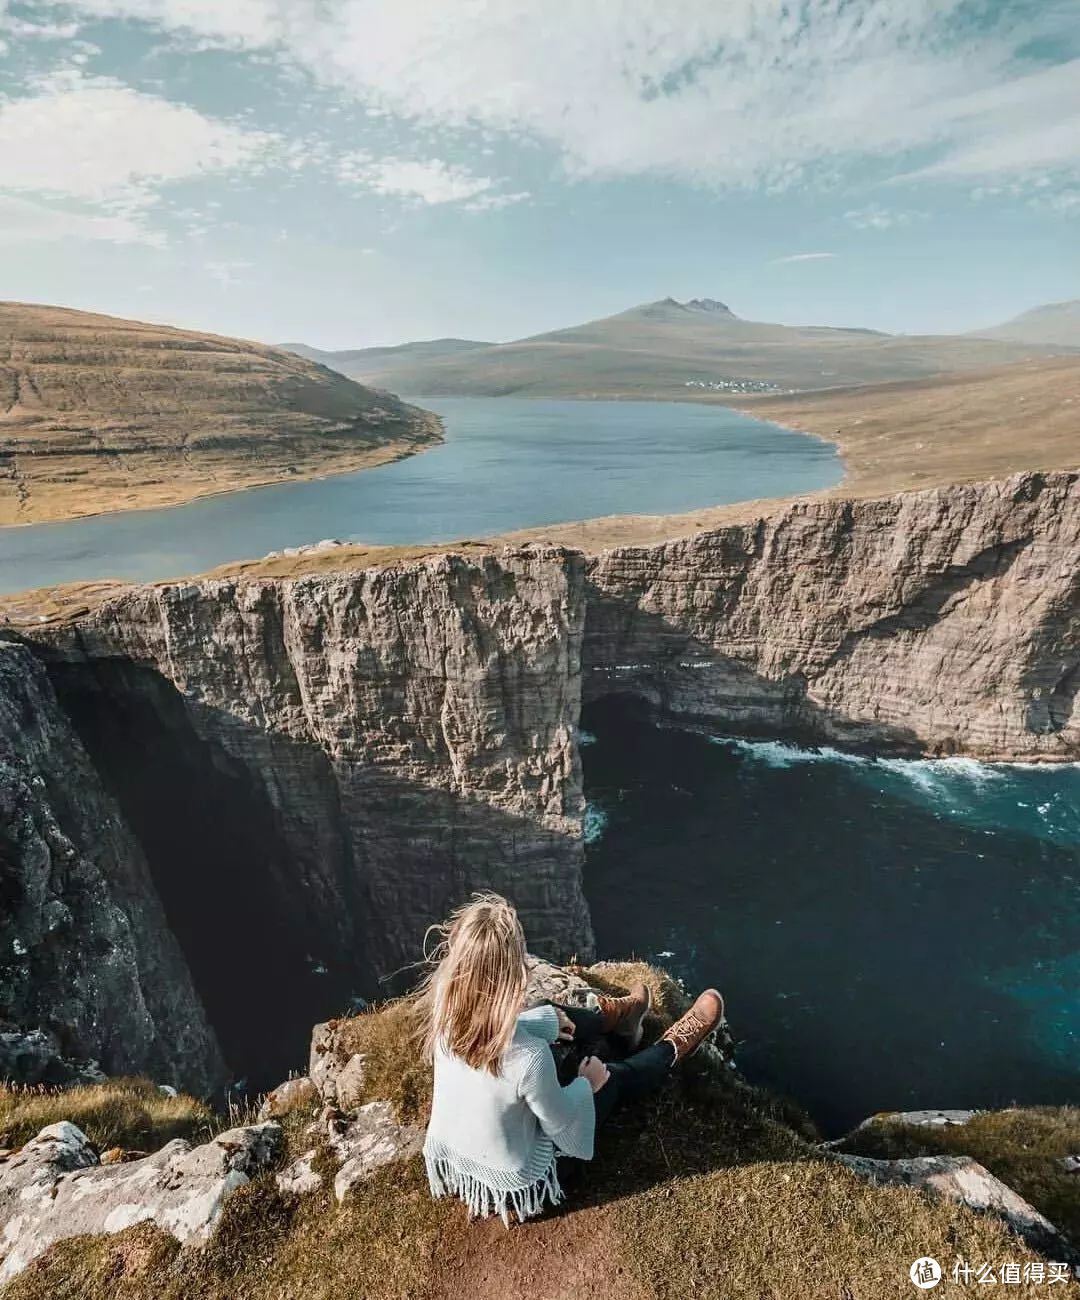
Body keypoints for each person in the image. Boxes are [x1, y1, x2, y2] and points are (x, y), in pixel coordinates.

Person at [415, 892, 724, 1225]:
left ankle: (622, 1018)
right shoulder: (529, 1059)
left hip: (459, 1166)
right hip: (518, 1186)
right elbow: (560, 1126)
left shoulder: (443, 1019)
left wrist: (547, 1021)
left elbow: (492, 1037)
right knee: (612, 1077)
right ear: (512, 976)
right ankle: (673, 1047)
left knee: (547, 1015)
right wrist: (585, 1084)